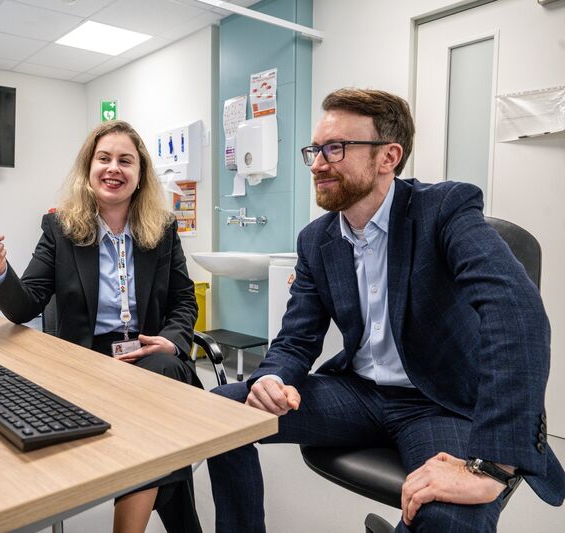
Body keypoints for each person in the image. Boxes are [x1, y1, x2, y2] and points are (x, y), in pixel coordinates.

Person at [207, 88, 564, 532]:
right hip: (358, 395)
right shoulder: (316, 240)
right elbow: (297, 337)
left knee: (447, 519)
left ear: (388, 156)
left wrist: (494, 464)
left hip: (437, 403)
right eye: (315, 149)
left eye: (335, 148)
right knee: (220, 414)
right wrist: (273, 378)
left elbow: (516, 312)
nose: (318, 163)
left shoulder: (444, 210)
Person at [0, 120, 202, 533]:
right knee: (158, 421)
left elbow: (183, 299)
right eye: (104, 158)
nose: (114, 168)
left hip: (148, 351)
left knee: (161, 374)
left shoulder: (162, 230)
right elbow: (26, 305)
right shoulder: (59, 228)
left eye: (125, 160)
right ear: (88, 169)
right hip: (85, 362)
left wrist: (172, 341)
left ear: (140, 174)